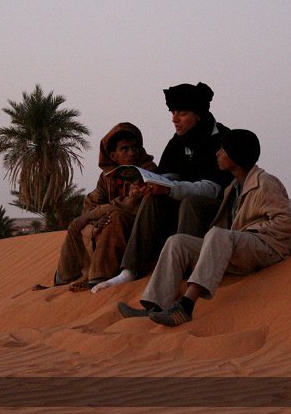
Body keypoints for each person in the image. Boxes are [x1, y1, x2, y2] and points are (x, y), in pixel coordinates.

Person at [116, 129, 291, 326]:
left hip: (267, 248)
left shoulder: (265, 183)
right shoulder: (233, 187)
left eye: (223, 149)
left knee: (219, 235)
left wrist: (249, 232)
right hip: (238, 249)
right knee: (177, 242)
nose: (217, 153)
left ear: (236, 154)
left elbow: (287, 224)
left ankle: (185, 306)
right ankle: (154, 307)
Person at [91, 82, 233, 293]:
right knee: (153, 198)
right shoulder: (177, 141)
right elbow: (169, 175)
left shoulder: (221, 139)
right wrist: (151, 184)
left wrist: (169, 189)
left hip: (218, 210)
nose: (174, 119)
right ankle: (130, 270)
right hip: (183, 205)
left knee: (189, 201)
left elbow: (211, 189)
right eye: (173, 112)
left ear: (199, 115)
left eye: (182, 113)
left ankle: (183, 268)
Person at [32, 122, 156, 291]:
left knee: (114, 219)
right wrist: (97, 219)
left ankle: (99, 277)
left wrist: (110, 209)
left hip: (140, 229)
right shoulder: (107, 177)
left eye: (134, 148)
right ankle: (65, 279)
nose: (131, 153)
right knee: (78, 225)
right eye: (125, 149)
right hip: (109, 221)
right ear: (113, 155)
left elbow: (136, 206)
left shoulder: (147, 171)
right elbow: (91, 204)